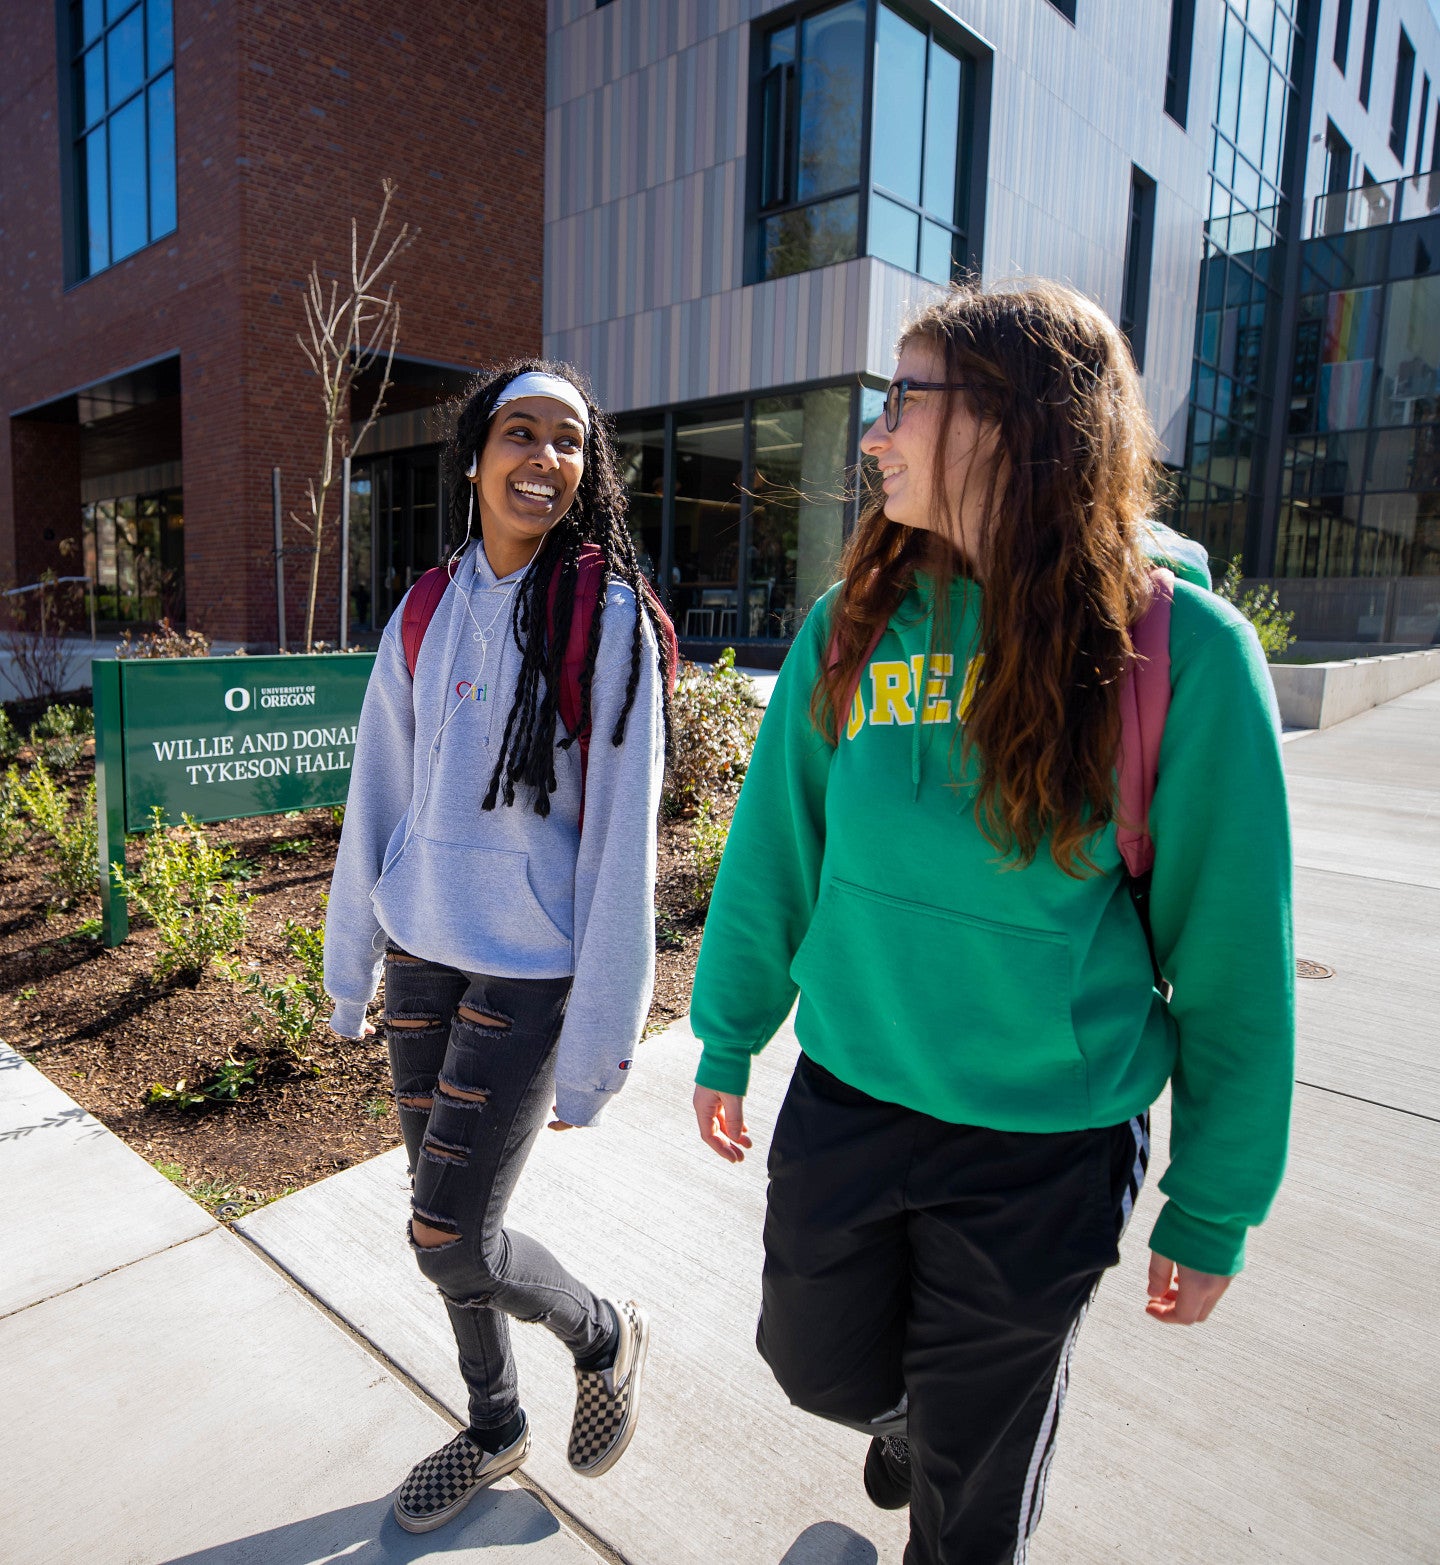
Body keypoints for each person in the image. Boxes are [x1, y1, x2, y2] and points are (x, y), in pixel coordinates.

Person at [688, 282, 1293, 1564]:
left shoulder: (1181, 652)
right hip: (853, 1093)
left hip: (1044, 1151)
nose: (874, 432)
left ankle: (957, 1433)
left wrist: (1214, 1201)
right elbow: (776, 847)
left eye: (904, 398)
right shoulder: (848, 624)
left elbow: (1235, 963)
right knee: (811, 1364)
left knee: (971, 1507)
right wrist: (729, 1033)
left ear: (1015, 422)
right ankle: (917, 1405)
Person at [324, 360, 671, 1535]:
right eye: (519, 432)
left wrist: (598, 1045)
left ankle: (601, 1331)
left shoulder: (608, 616)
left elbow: (624, 840)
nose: (545, 457)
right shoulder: (424, 609)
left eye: (568, 440)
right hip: (424, 948)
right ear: (474, 457)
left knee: (446, 1232)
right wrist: (350, 963)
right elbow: (377, 795)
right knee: (442, 1216)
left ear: (587, 469)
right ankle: (495, 1421)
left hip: (529, 969)